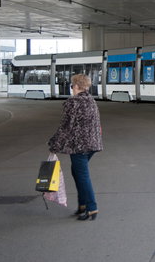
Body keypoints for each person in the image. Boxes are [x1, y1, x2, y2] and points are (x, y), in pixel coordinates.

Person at [48, 74, 103, 220]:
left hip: (79, 146)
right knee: (77, 172)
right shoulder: (91, 100)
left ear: (77, 86)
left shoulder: (73, 102)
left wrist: (54, 144)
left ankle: (92, 207)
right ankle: (82, 205)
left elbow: (65, 127)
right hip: (93, 144)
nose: (71, 88)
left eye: (72, 86)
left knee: (82, 175)